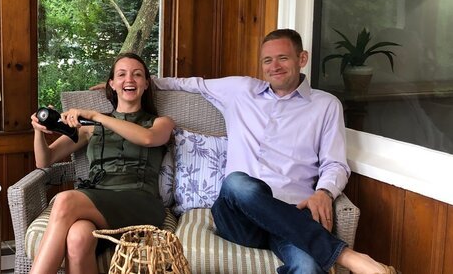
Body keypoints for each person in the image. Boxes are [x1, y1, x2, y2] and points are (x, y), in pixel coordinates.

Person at [149, 29, 398, 274]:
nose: (274, 66)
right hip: (238, 218)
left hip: (293, 213)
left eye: (283, 58)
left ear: (302, 59)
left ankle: (328, 253)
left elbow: (335, 163)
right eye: (267, 60)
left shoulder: (326, 105)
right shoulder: (239, 91)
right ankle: (346, 256)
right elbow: (185, 85)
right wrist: (131, 82)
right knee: (238, 182)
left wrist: (324, 192)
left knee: (308, 268)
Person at [29, 53, 175, 274]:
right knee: (78, 237)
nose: (129, 80)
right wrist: (39, 132)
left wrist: (96, 116)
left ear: (146, 84)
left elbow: (147, 138)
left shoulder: (160, 123)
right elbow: (45, 160)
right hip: (98, 201)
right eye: (122, 74)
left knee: (66, 199)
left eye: (137, 75)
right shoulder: (89, 128)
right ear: (112, 84)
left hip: (140, 203)